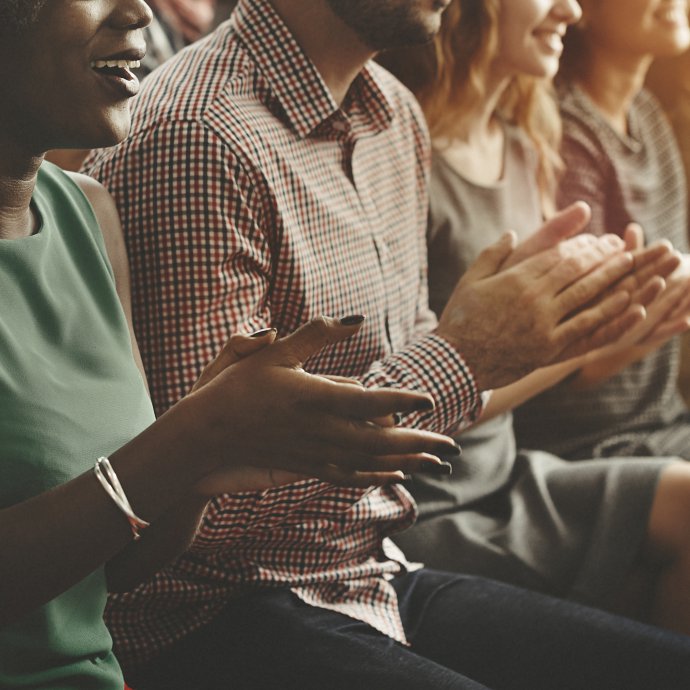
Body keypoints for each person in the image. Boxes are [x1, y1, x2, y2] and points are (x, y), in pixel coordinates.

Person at [84, 0, 690, 688]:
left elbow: (418, 367)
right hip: (212, 611)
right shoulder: (198, 137)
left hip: (370, 570)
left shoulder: (394, 114)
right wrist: (466, 351)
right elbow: (201, 506)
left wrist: (548, 328)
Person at [0, 1, 470, 687]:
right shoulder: (198, 129)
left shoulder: (88, 215)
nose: (136, 11)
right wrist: (190, 440)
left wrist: (199, 468)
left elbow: (115, 574)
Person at [380, 0, 690, 636]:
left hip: (511, 471)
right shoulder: (411, 158)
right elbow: (425, 393)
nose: (571, 11)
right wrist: (586, 340)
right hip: (431, 502)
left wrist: (623, 322)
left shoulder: (525, 140)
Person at [513, 1, 690, 461]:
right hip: (592, 442)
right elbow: (574, 362)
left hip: (664, 420)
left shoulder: (648, 115)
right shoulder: (566, 134)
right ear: (584, 9)